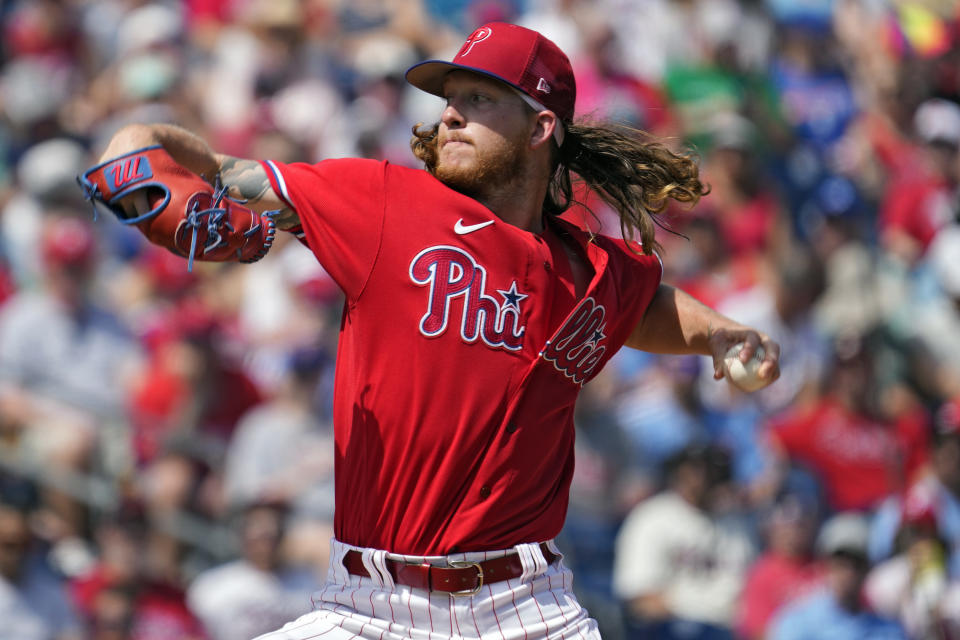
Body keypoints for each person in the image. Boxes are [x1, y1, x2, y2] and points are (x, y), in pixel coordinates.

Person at [90, 22, 780, 640]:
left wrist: (719, 333)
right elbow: (189, 158)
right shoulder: (383, 204)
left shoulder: (590, 268)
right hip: (367, 607)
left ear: (542, 128)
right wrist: (133, 154)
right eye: (450, 98)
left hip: (527, 610)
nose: (451, 113)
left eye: (480, 99)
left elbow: (648, 305)